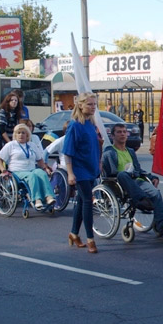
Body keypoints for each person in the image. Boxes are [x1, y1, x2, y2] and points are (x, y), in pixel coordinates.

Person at [102, 123, 163, 237]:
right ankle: (140, 199)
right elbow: (109, 173)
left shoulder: (130, 151)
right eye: (119, 132)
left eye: (124, 132)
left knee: (156, 193)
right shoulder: (109, 152)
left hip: (136, 180)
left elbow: (138, 169)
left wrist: (151, 177)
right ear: (113, 136)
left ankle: (161, 224)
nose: (122, 134)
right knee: (122, 174)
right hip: (120, 182)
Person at [63, 92, 102, 254]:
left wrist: (98, 164)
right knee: (87, 200)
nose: (93, 107)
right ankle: (90, 239)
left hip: (91, 167)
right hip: (80, 170)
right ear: (80, 105)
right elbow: (68, 152)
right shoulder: (75, 125)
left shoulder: (91, 124)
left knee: (81, 201)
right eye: (89, 104)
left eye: (94, 105)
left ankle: (73, 233)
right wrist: (70, 173)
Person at [0, 124, 56, 212]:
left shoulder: (32, 145)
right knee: (32, 176)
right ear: (15, 135)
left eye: (23, 133)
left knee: (41, 173)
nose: (21, 135)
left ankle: (49, 196)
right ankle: (37, 199)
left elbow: (39, 160)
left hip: (31, 169)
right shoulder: (11, 145)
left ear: (27, 135)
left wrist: (45, 168)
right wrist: (3, 170)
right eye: (18, 133)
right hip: (17, 171)